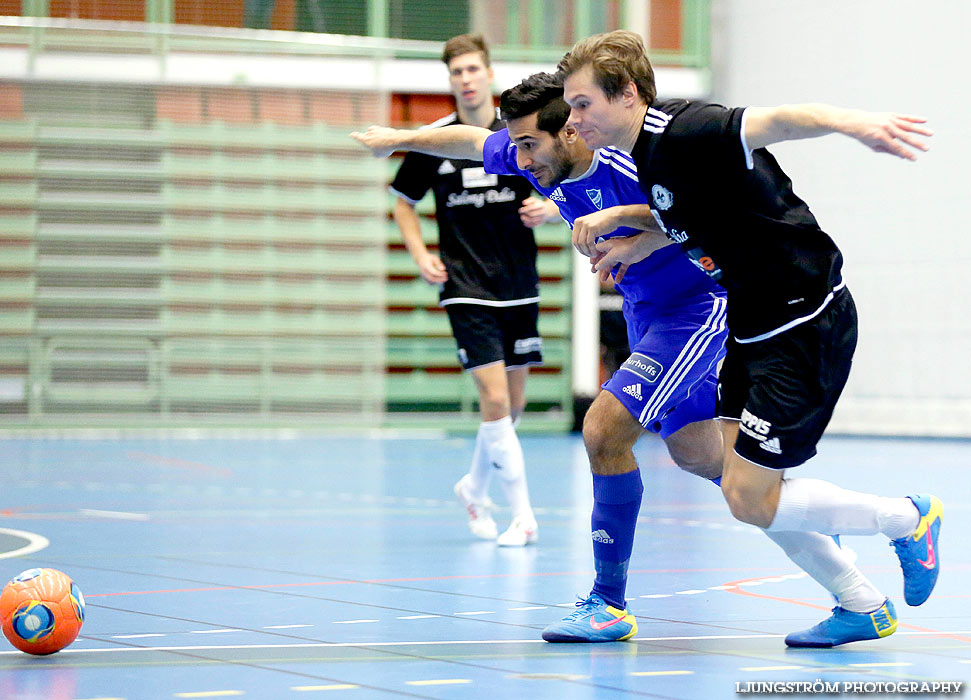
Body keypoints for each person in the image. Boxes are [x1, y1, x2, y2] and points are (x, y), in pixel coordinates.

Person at [554, 29, 941, 647]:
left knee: (749, 498)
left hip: (804, 323)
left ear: (626, 94)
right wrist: (635, 232)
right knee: (724, 471)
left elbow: (779, 121)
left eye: (581, 104)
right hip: (752, 325)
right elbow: (695, 217)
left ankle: (906, 518)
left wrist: (854, 123)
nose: (572, 119)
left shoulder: (687, 129)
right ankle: (859, 600)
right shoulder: (644, 159)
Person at [356, 72, 733, 642]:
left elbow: (707, 214)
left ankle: (608, 602)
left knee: (603, 429)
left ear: (571, 133)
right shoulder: (537, 156)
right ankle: (889, 530)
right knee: (710, 462)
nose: (517, 160)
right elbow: (466, 141)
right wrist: (401, 137)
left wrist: (626, 229)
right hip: (647, 314)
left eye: (529, 145)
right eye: (515, 147)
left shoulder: (631, 163)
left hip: (694, 309)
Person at [386, 34, 542, 547]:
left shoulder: (517, 134)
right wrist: (418, 251)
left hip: (518, 283)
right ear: (450, 80)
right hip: (466, 286)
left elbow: (561, 186)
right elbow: (402, 200)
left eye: (474, 69)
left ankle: (473, 487)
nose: (466, 78)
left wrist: (553, 210)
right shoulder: (437, 140)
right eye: (457, 72)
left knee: (511, 409)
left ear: (489, 73)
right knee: (494, 400)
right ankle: (522, 516)